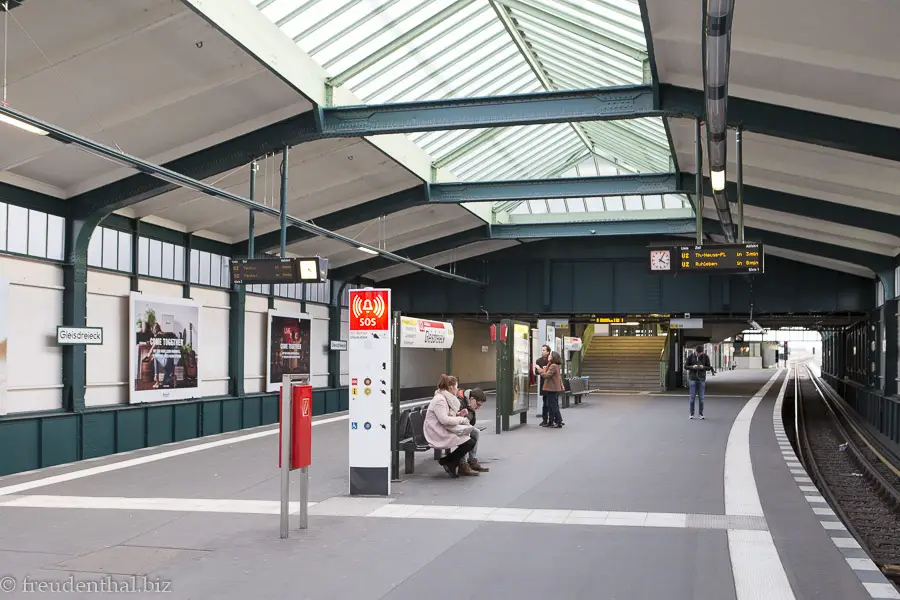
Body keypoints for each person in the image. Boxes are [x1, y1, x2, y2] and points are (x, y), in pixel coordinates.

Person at [423, 374, 478, 478]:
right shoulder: (440, 400)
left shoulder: (444, 398)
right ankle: (449, 462)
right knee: (469, 442)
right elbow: (444, 419)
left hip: (442, 428)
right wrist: (461, 419)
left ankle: (448, 461)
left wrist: (458, 414)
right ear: (451, 387)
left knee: (471, 439)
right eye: (456, 387)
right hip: (436, 432)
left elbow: (445, 416)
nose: (457, 390)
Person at [456, 385, 489, 472]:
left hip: (461, 426)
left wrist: (472, 409)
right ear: (472, 399)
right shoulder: (459, 401)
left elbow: (471, 422)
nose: (478, 408)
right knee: (466, 433)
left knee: (476, 432)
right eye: (478, 404)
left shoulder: (468, 403)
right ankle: (462, 464)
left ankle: (472, 460)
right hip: (454, 426)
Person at [685, 345, 714, 419]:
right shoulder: (691, 356)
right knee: (692, 397)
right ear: (696, 351)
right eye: (697, 353)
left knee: (701, 398)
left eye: (700, 353)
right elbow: (685, 366)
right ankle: (691, 414)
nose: (699, 355)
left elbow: (709, 367)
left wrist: (703, 367)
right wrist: (692, 367)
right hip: (692, 378)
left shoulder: (705, 357)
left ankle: (701, 414)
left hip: (701, 379)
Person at [538, 351, 565, 428]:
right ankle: (551, 421)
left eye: (550, 355)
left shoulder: (553, 366)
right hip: (552, 388)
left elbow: (546, 375)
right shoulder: (553, 365)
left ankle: (559, 421)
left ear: (553, 357)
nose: (549, 356)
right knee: (551, 405)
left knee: (553, 405)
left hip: (552, 388)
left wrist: (540, 370)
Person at [534, 345, 551, 426]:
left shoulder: (551, 360)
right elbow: (536, 372)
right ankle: (544, 419)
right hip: (543, 383)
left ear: (548, 351)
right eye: (542, 350)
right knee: (545, 403)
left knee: (550, 402)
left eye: (544, 350)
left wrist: (541, 370)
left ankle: (551, 419)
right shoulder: (539, 361)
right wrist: (540, 370)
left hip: (550, 384)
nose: (542, 351)